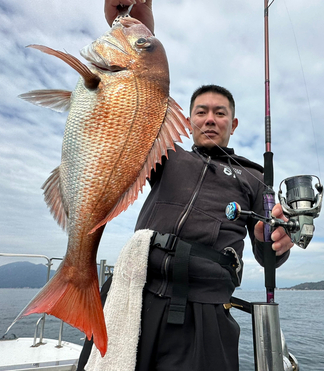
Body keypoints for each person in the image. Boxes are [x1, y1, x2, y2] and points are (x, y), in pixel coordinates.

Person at [78, 2, 294, 370]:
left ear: (234, 123)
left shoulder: (256, 176)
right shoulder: (165, 152)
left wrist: (273, 239)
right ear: (188, 119)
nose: (210, 119)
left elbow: (267, 251)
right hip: (135, 294)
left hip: (205, 310)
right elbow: (130, 108)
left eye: (220, 113)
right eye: (201, 112)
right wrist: (137, 31)